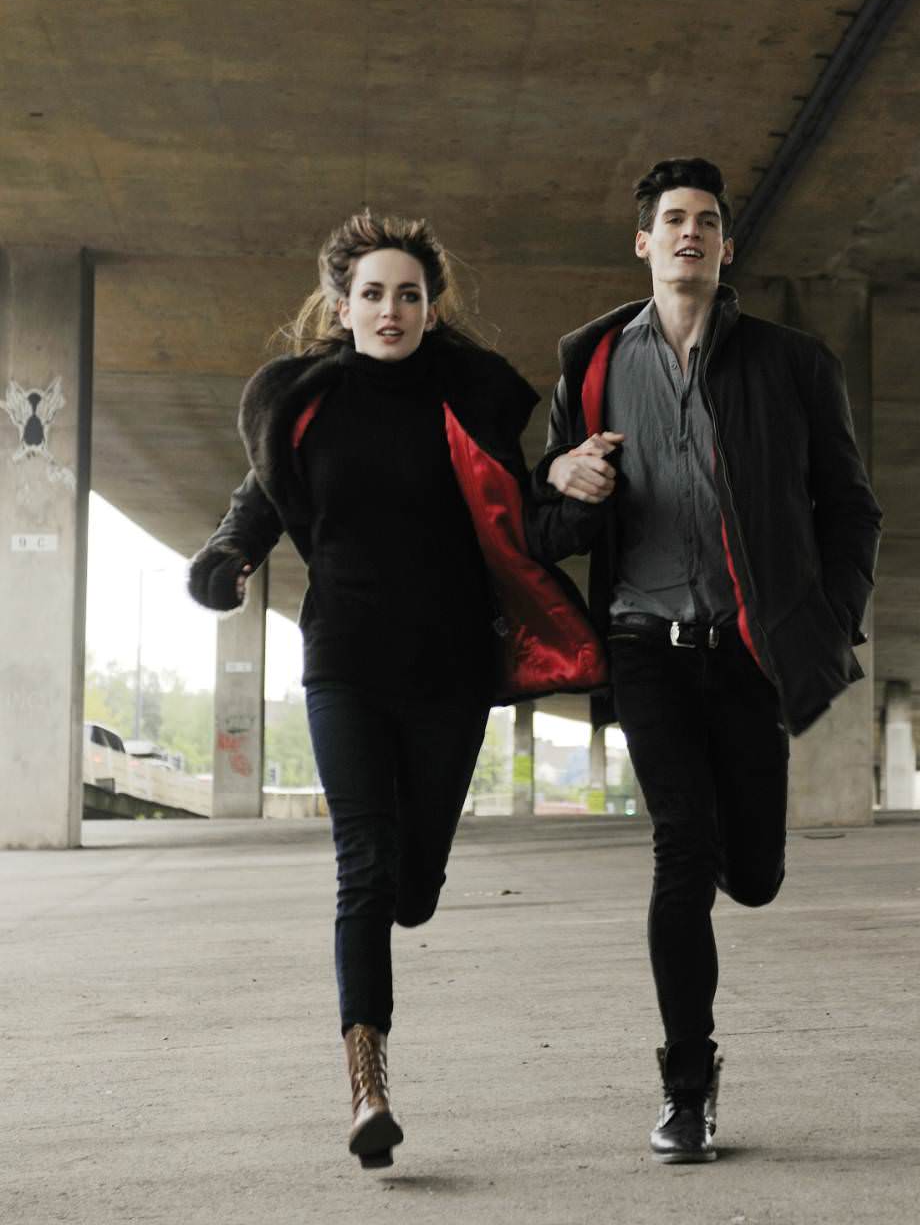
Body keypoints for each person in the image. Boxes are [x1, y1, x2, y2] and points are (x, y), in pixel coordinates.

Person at [187, 212, 604, 1169]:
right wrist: (226, 557)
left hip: (450, 672)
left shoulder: (469, 400)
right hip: (343, 664)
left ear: (429, 306)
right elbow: (257, 501)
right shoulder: (306, 405)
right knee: (364, 870)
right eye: (372, 293)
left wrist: (573, 495)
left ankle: (403, 917)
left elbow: (521, 512)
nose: (390, 308)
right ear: (342, 307)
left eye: (409, 294)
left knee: (411, 889)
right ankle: (367, 1086)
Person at [537, 157, 881, 1163]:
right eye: (672, 220)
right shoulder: (592, 362)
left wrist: (830, 616)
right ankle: (688, 1087)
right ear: (642, 243)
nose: (690, 233)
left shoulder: (791, 364)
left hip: (748, 650)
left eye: (708, 222)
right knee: (680, 851)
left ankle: (745, 860)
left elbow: (849, 505)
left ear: (727, 247)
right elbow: (545, 518)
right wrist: (561, 477)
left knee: (756, 875)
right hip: (644, 643)